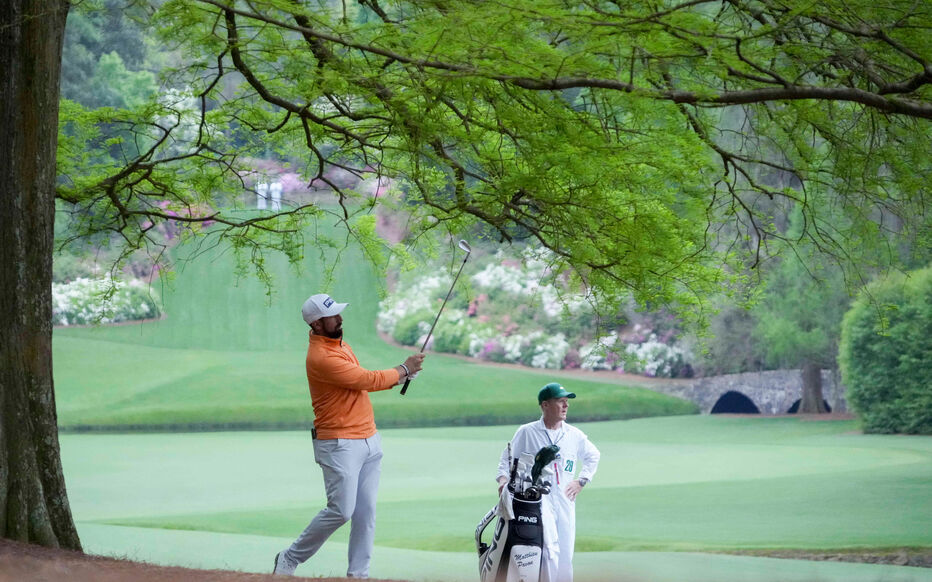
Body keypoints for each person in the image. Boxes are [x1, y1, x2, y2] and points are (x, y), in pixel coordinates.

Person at [273, 293, 426, 578]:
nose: (340, 318)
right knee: (341, 510)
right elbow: (365, 380)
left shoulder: (340, 345)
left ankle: (359, 574)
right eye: (333, 316)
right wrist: (403, 369)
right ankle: (290, 557)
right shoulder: (321, 356)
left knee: (365, 514)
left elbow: (360, 382)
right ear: (317, 324)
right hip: (339, 443)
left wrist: (403, 375)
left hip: (369, 439)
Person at [496, 383, 601, 582]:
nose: (566, 406)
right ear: (545, 405)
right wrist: (503, 482)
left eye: (567, 402)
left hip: (565, 500)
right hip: (538, 501)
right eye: (560, 401)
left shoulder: (574, 435)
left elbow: (593, 455)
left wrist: (582, 481)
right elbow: (507, 460)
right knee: (548, 551)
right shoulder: (527, 432)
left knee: (565, 551)